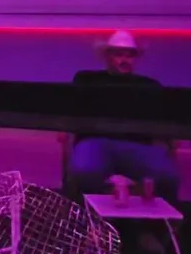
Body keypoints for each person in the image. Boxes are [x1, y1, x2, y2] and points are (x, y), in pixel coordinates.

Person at [69, 30, 180, 203]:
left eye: (129, 55)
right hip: (96, 141)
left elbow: (164, 118)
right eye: (119, 54)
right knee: (86, 170)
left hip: (138, 146)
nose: (124, 60)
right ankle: (91, 216)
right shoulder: (87, 80)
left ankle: (156, 219)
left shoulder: (149, 86)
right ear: (108, 56)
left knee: (167, 176)